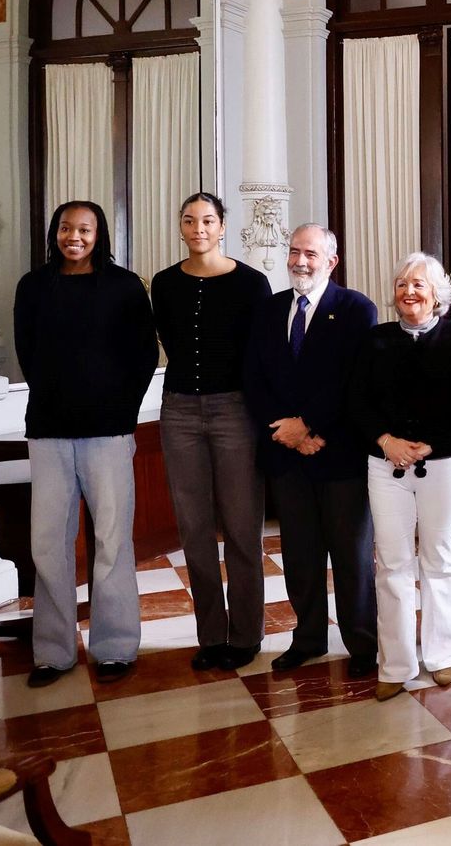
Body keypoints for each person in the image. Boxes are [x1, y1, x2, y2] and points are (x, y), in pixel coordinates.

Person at [14, 201, 157, 686]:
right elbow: (27, 353)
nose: (74, 236)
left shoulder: (124, 286)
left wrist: (120, 411)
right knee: (48, 542)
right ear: (54, 232)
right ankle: (53, 652)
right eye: (66, 227)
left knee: (112, 540)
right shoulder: (33, 286)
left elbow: (143, 357)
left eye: (85, 228)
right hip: (48, 431)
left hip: (109, 431)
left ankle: (115, 646)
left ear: (100, 235)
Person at [244, 224, 379, 677]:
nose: (300, 261)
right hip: (286, 455)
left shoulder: (357, 308)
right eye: (295, 251)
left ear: (331, 262)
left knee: (351, 556)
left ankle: (362, 645)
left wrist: (310, 426)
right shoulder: (269, 309)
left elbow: (355, 382)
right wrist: (286, 432)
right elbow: (254, 378)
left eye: (311, 254)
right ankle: (308, 639)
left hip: (339, 453)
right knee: (300, 555)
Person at [150, 193, 272, 672]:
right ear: (180, 227)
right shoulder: (163, 284)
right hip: (179, 412)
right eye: (188, 220)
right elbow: (167, 341)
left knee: (243, 529)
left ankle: (246, 635)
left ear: (223, 227)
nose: (198, 227)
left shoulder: (252, 284)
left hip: (234, 413)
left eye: (207, 220)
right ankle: (211, 637)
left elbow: (261, 354)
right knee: (194, 530)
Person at [350, 253, 451, 701]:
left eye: (418, 285)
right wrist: (386, 441)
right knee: (392, 563)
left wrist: (430, 445)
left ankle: (443, 657)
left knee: (440, 557)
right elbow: (358, 402)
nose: (408, 291)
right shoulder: (376, 339)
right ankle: (396, 663)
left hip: (442, 463)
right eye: (402, 283)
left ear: (437, 295)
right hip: (385, 465)